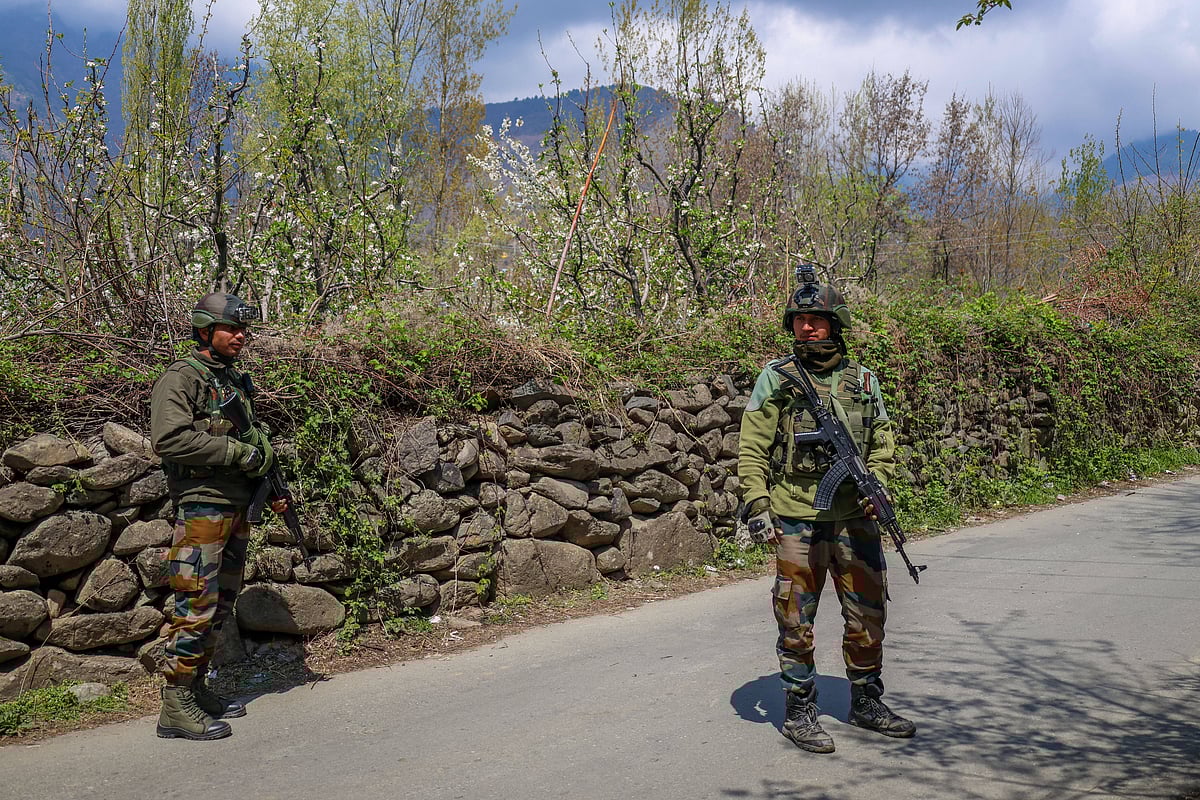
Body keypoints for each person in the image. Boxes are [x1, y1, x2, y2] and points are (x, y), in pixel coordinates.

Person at [737, 273, 915, 754]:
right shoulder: (777, 378)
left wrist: (877, 484)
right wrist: (758, 503)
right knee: (795, 617)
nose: (807, 328)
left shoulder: (863, 381)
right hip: (796, 516)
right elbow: (751, 447)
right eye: (799, 320)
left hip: (855, 518)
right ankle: (800, 710)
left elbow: (883, 441)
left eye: (816, 319)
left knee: (867, 615)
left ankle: (866, 701)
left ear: (836, 323)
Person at [150, 292, 280, 740]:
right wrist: (236, 452)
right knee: (195, 603)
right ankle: (175, 702)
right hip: (202, 505)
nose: (242, 336)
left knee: (220, 604)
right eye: (233, 329)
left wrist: (267, 482)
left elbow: (251, 439)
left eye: (244, 329)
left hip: (234, 505)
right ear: (205, 330)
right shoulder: (181, 377)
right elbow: (169, 440)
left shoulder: (234, 381)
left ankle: (197, 687)